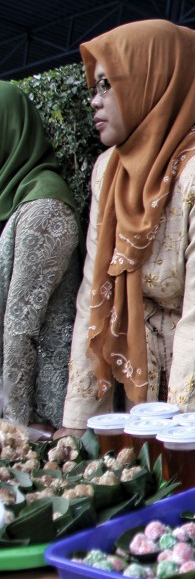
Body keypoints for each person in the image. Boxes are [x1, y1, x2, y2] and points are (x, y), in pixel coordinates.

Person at [58, 20, 195, 457]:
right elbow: (94, 294)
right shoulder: (109, 168)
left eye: (109, 85)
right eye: (95, 87)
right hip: (140, 386)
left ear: (154, 80)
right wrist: (77, 426)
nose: (95, 101)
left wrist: (177, 440)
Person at [0, 82, 80, 434]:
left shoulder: (45, 206)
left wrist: (12, 430)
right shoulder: (13, 199)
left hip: (41, 417)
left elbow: (22, 328)